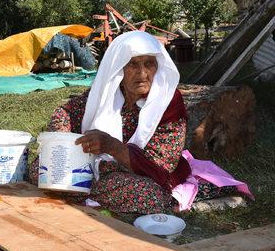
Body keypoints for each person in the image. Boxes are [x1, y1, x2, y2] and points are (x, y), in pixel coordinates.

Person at [28, 31, 192, 214]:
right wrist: (63, 142)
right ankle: (74, 186)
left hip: (140, 175)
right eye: (133, 64)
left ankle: (71, 188)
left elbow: (161, 165)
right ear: (120, 66)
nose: (143, 73)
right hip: (95, 169)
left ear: (158, 66)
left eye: (149, 64)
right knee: (39, 168)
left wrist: (113, 147)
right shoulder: (110, 89)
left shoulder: (168, 102)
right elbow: (67, 112)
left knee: (148, 194)